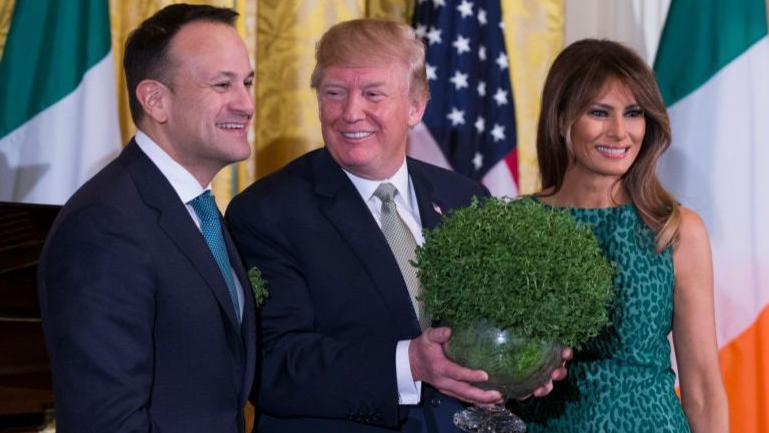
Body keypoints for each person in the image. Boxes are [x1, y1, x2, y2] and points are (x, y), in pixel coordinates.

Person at [226, 19, 568, 433]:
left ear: (415, 106)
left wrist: (526, 366)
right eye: (334, 93)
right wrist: (409, 363)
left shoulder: (466, 199)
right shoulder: (266, 212)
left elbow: (490, 330)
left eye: (373, 93)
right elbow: (271, 365)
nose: (351, 112)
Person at [37, 4, 257, 433]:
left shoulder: (199, 210)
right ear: (155, 99)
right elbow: (105, 422)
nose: (246, 104)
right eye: (222, 84)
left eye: (248, 82)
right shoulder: (104, 226)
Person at [513, 39, 729, 433]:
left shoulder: (676, 229)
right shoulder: (520, 223)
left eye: (633, 114)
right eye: (599, 112)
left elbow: (702, 388)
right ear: (563, 118)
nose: (619, 132)